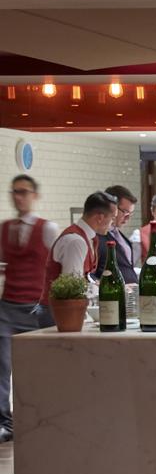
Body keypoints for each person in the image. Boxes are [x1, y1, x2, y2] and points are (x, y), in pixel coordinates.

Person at [0, 176, 59, 441]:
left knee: (39, 365)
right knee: (2, 366)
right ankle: (5, 422)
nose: (18, 197)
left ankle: (44, 416)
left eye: (23, 192)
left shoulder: (47, 229)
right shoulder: (4, 229)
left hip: (37, 308)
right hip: (8, 306)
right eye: (14, 192)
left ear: (35, 195)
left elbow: (55, 264)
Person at [45, 190, 114, 304]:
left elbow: (83, 279)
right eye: (112, 218)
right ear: (100, 218)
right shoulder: (76, 242)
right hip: (55, 311)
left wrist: (96, 285)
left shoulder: (87, 238)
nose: (112, 223)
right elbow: (72, 290)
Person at [96, 184, 138, 285]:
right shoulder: (96, 237)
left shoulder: (119, 235)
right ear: (112, 208)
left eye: (131, 213)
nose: (128, 218)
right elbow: (91, 274)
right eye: (125, 212)